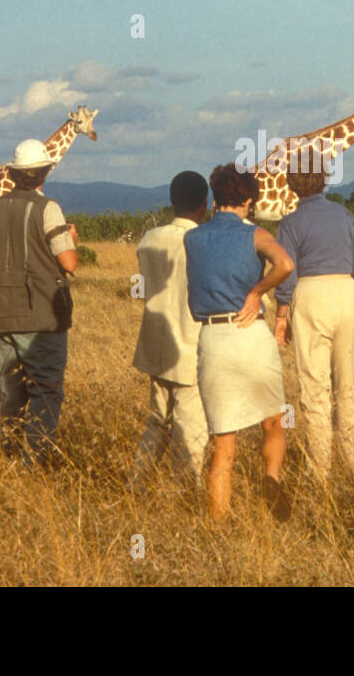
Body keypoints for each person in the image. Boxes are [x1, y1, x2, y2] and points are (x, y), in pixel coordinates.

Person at [184, 163, 295, 521]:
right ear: (248, 200)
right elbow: (285, 264)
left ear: (215, 197)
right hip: (252, 335)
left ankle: (217, 527)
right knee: (273, 421)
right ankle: (271, 478)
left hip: (214, 338)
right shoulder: (255, 234)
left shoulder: (193, 238)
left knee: (223, 444)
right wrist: (257, 292)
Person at [272, 145, 354, 485]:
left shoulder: (290, 222)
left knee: (314, 389)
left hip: (311, 297)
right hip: (347, 292)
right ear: (324, 179)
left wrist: (281, 316)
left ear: (292, 183)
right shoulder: (343, 215)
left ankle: (320, 476)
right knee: (346, 386)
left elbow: (286, 272)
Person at [0, 139, 78, 467]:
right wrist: (72, 241)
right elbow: (69, 263)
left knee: (11, 393)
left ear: (13, 173)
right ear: (45, 172)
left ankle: (10, 459)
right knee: (45, 392)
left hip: (2, 314)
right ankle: (33, 465)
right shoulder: (47, 208)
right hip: (42, 318)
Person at [129, 171, 211, 485]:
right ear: (204, 205)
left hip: (154, 342)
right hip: (188, 346)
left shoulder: (149, 238)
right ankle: (187, 490)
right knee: (189, 426)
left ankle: (136, 483)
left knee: (157, 421)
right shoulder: (202, 242)